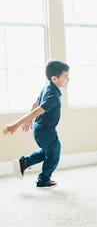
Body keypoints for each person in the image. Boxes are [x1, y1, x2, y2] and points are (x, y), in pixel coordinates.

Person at [2, 60, 70, 188]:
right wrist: (15, 125)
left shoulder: (47, 87)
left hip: (41, 129)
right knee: (54, 156)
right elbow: (37, 111)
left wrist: (29, 121)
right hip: (46, 131)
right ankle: (43, 180)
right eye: (65, 76)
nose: (68, 79)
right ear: (54, 78)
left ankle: (24, 162)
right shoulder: (53, 96)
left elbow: (35, 104)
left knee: (48, 152)